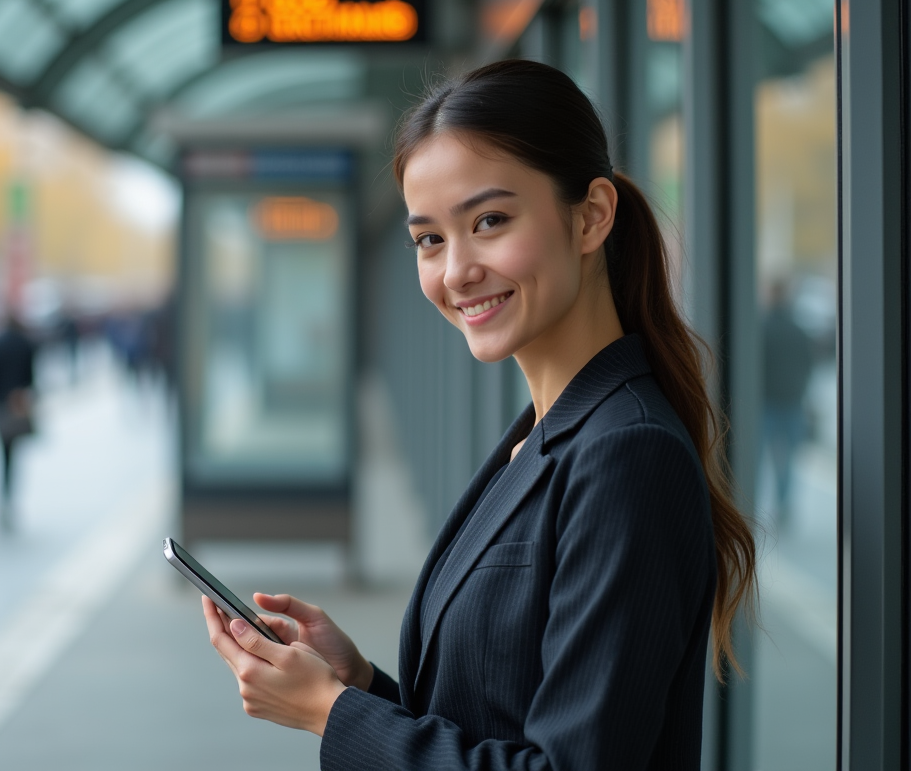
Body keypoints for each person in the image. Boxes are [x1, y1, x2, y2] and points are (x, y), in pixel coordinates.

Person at [199, 60, 758, 770]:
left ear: (591, 216)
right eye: (429, 239)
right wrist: (359, 686)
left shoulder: (627, 452)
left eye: (489, 221)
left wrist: (330, 714)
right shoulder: (539, 435)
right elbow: (496, 718)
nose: (455, 270)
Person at [761, 279, 814, 529]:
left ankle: (747, 504)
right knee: (787, 459)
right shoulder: (798, 329)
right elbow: (808, 364)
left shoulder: (761, 328)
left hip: (766, 403)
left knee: (757, 457)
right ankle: (783, 506)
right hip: (792, 401)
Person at [0, 315, 35, 529]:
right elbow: (30, 377)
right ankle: (8, 496)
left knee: (2, 450)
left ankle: (2, 497)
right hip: (17, 402)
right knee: (13, 453)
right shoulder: (26, 344)